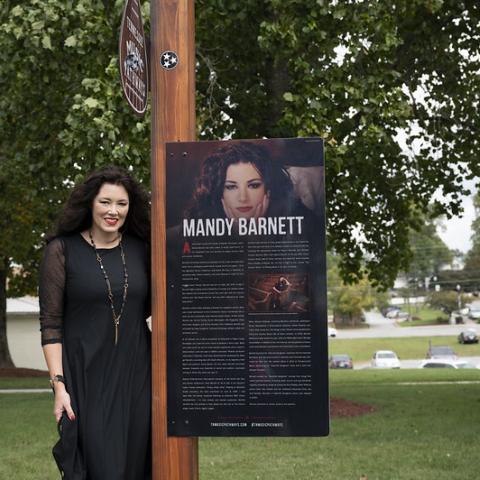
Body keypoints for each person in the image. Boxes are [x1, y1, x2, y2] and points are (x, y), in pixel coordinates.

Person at [39, 165, 151, 480]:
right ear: (90, 202)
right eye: (105, 202)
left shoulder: (142, 249)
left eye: (121, 203)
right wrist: (59, 386)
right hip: (85, 379)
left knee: (137, 466)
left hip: (137, 377)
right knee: (101, 468)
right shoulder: (61, 251)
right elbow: (50, 325)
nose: (113, 211)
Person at [186, 141, 302, 220]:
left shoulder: (300, 221)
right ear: (218, 191)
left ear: (269, 188)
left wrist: (255, 239)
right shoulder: (188, 231)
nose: (243, 198)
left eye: (253, 185)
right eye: (231, 187)